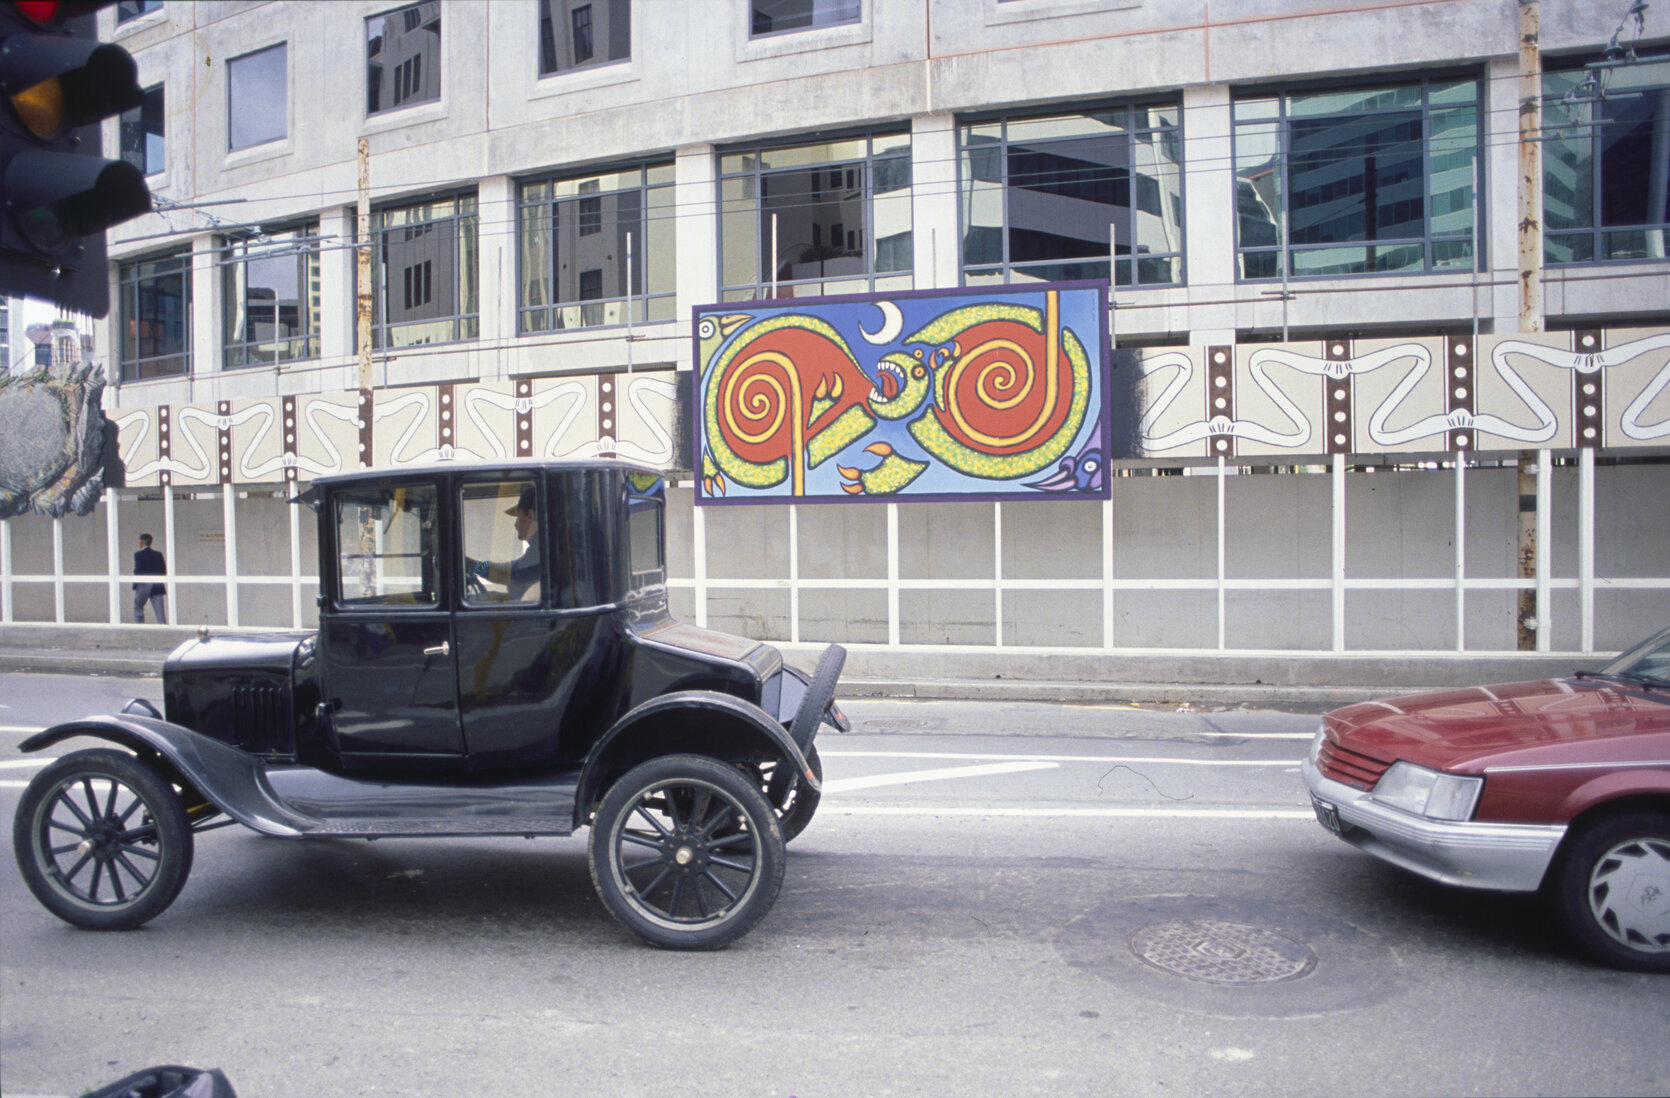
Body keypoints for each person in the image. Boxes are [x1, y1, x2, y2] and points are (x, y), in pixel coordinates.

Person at [467, 486, 541, 601]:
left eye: (518, 517)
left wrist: (474, 566)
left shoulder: (539, 550)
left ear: (530, 516)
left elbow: (506, 573)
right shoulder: (540, 549)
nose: (515, 524)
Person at [132, 533, 168, 624]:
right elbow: (163, 571)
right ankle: (163, 630)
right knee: (160, 612)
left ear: (141, 542)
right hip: (157, 585)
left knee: (138, 607)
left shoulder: (138, 555)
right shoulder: (158, 554)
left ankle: (139, 628)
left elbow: (138, 571)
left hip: (143, 585)